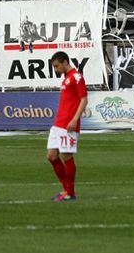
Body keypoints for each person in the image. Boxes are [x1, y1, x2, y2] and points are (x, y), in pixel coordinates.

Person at [47, 51, 87, 202]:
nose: (56, 69)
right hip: (58, 124)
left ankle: (70, 192)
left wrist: (75, 120)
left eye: (57, 66)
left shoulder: (76, 77)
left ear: (65, 62)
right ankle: (65, 189)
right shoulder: (66, 79)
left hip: (68, 125)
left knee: (66, 156)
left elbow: (84, 100)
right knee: (51, 156)